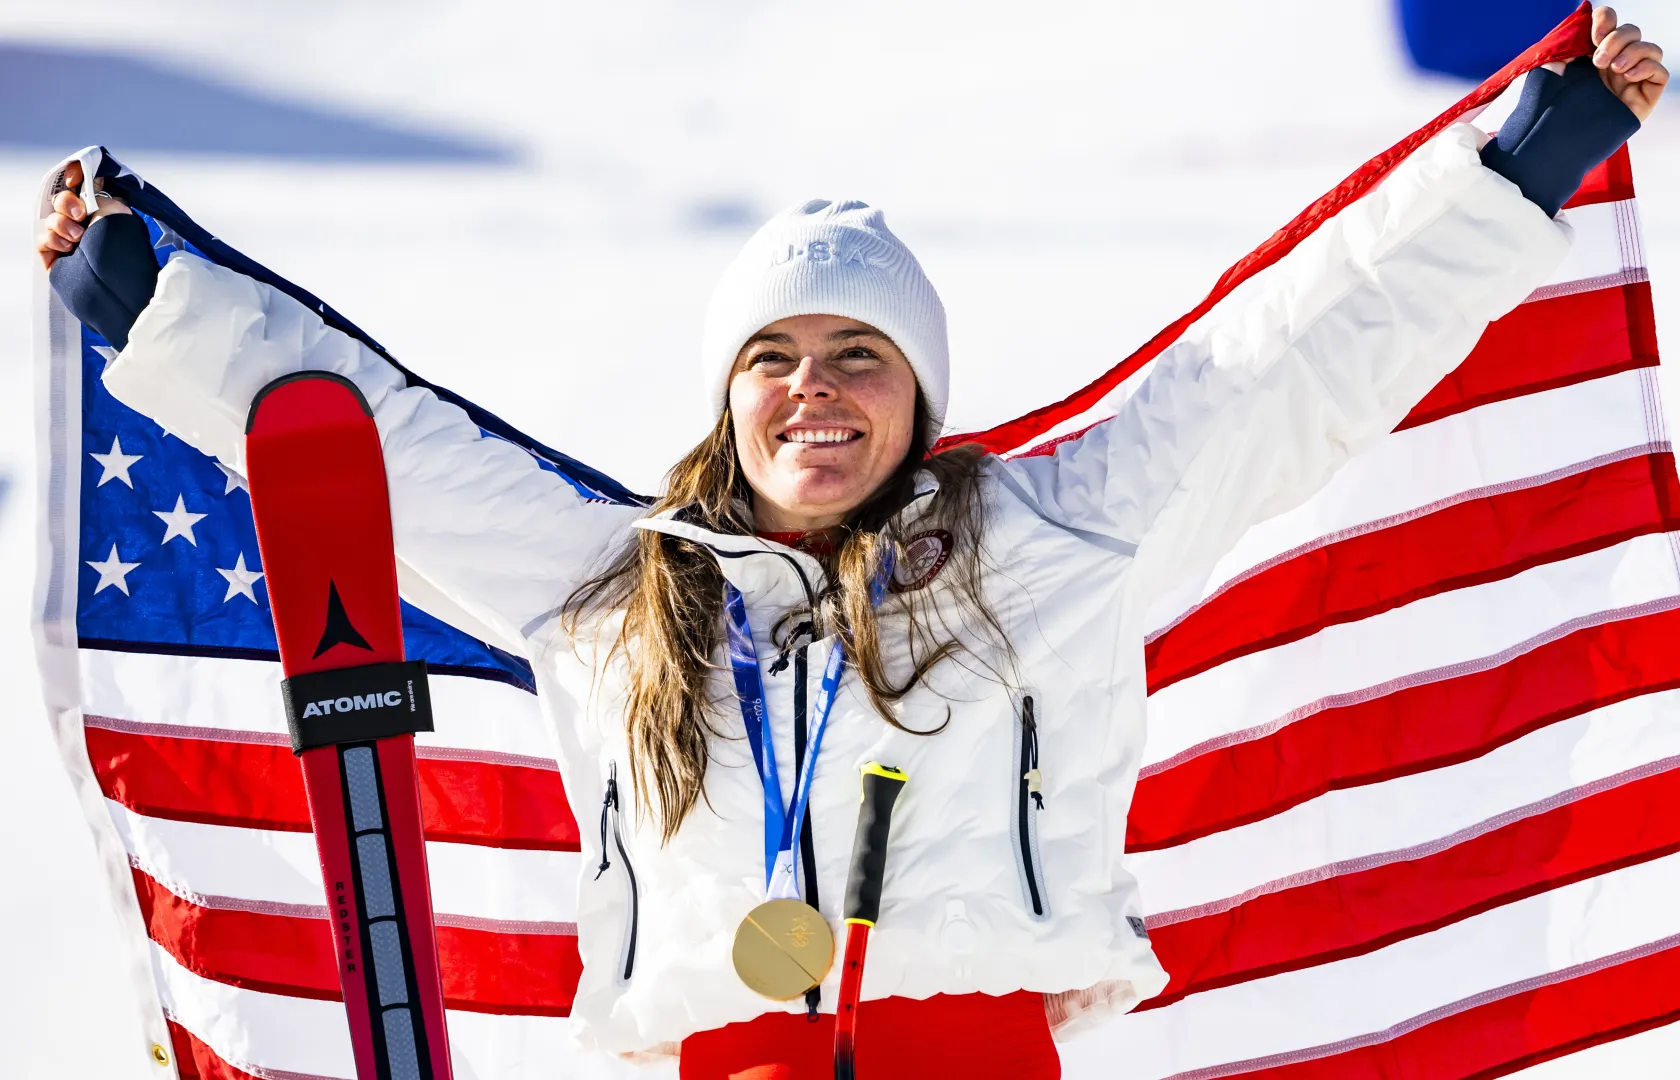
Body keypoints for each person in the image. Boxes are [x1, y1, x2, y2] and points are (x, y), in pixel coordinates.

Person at [34, 9, 1668, 1078]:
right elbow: (380, 447)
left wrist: (1522, 164)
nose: (816, 392)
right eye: (777, 360)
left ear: (920, 395)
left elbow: (1298, 358)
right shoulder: (614, 593)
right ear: (729, 398)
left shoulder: (1053, 538)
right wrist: (156, 308)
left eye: (860, 358)